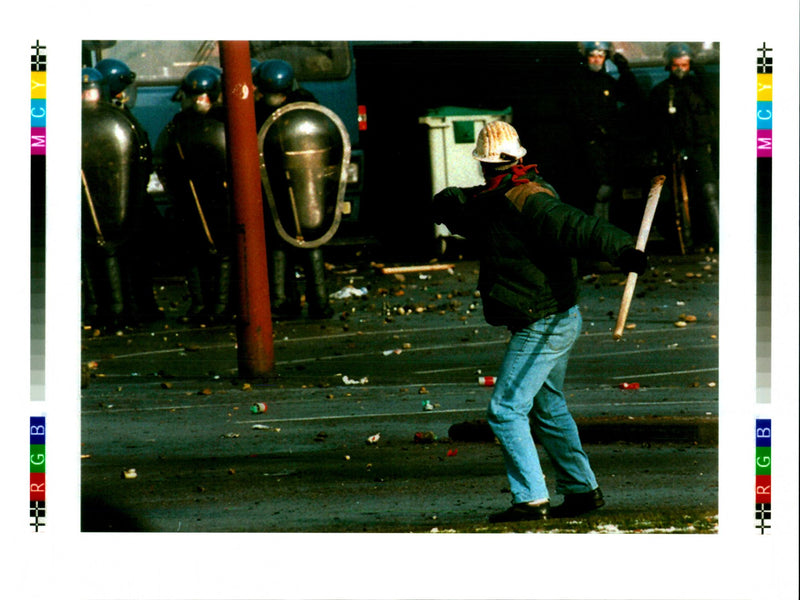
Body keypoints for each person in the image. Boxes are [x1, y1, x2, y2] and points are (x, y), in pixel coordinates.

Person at [431, 121, 647, 522]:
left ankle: (531, 498)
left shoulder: (528, 199)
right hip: (550, 316)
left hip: (543, 320)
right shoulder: (500, 197)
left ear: (491, 165)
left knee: (506, 410)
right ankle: (581, 490)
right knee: (547, 407)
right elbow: (470, 210)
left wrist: (622, 250)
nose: (486, 174)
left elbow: (577, 225)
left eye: (487, 168)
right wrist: (445, 203)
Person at [253, 59, 332, 319]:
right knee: (309, 240)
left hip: (282, 183)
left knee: (280, 242)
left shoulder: (263, 110)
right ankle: (316, 303)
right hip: (303, 183)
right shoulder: (308, 106)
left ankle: (284, 302)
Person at [156, 66, 234, 323]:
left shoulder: (177, 126)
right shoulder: (226, 124)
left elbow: (163, 160)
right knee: (219, 251)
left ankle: (201, 304)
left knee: (195, 251)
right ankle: (218, 305)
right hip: (218, 197)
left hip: (190, 197)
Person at [648, 43, 719, 249]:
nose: (680, 69)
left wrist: (700, 69)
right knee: (673, 198)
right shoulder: (661, 92)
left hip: (699, 148)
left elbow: (715, 100)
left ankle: (718, 236)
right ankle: (681, 240)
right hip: (672, 151)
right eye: (676, 64)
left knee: (708, 191)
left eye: (685, 64)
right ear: (669, 66)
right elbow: (653, 124)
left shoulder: (701, 88)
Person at [568, 42, 641, 222]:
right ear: (586, 58)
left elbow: (633, 95)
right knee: (598, 188)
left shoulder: (608, 82)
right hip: (589, 142)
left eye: (601, 56)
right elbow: (575, 113)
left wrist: (623, 67)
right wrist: (593, 130)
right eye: (593, 55)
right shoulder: (577, 82)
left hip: (609, 143)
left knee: (609, 188)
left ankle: (603, 228)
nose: (596, 60)